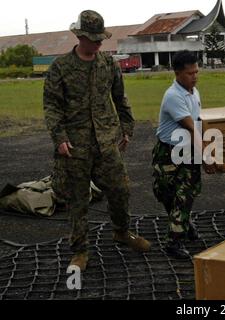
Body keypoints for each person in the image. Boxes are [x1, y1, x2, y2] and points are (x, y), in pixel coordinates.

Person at [43, 10, 151, 272]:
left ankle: (121, 232)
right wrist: (59, 138)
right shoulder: (61, 68)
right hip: (75, 147)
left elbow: (120, 99)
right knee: (78, 200)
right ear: (80, 37)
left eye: (101, 38)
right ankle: (80, 250)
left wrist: (126, 128)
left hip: (106, 141)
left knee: (120, 188)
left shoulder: (108, 65)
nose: (99, 43)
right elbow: (52, 106)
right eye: (94, 39)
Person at [152, 50, 215, 259]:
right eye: (190, 73)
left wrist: (203, 153)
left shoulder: (194, 92)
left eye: (197, 72)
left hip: (188, 149)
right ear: (178, 73)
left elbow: (197, 125)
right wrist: (206, 156)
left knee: (184, 195)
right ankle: (184, 225)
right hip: (169, 152)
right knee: (165, 193)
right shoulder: (173, 96)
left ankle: (174, 242)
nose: (195, 76)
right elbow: (190, 127)